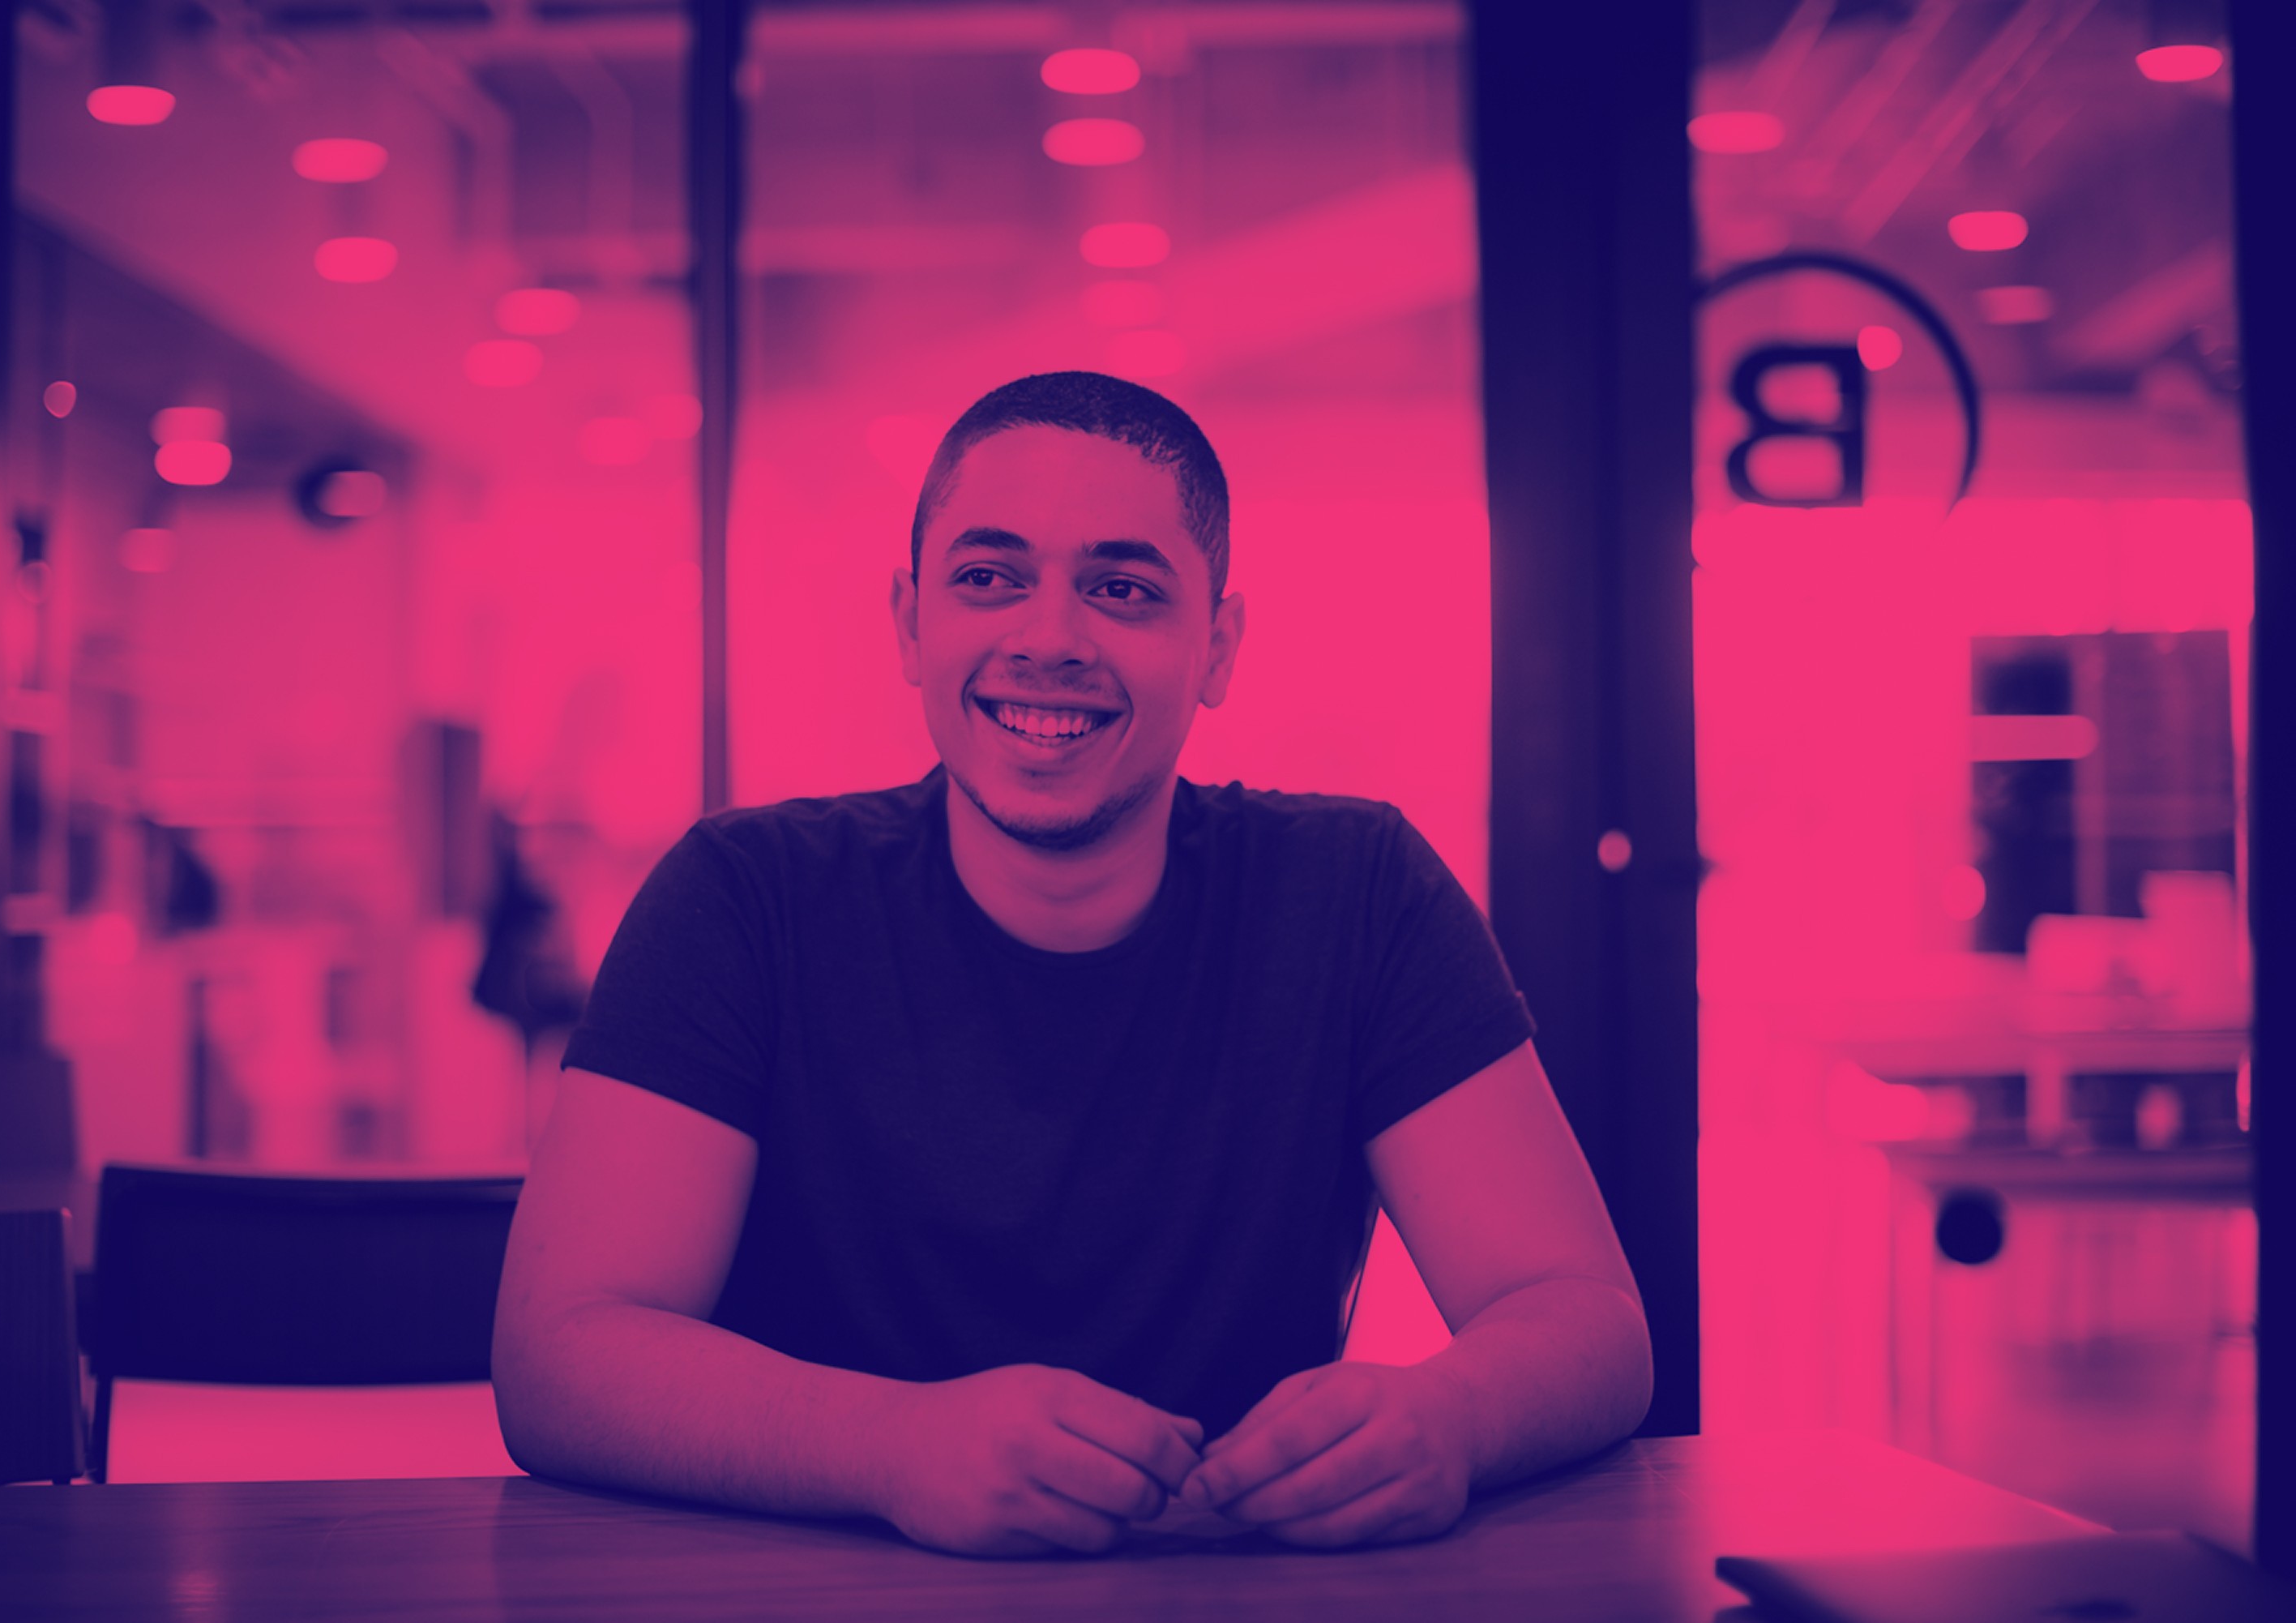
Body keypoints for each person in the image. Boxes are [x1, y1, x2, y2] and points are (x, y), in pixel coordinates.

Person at [491, 372, 1652, 1557]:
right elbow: (560, 1356)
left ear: (1216, 647)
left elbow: (1587, 1316)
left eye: (1122, 589)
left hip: (1227, 1591)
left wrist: (1450, 1414)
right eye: (988, 578)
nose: (1048, 639)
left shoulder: (1357, 891)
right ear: (910, 623)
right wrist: (891, 1446)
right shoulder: (744, 896)